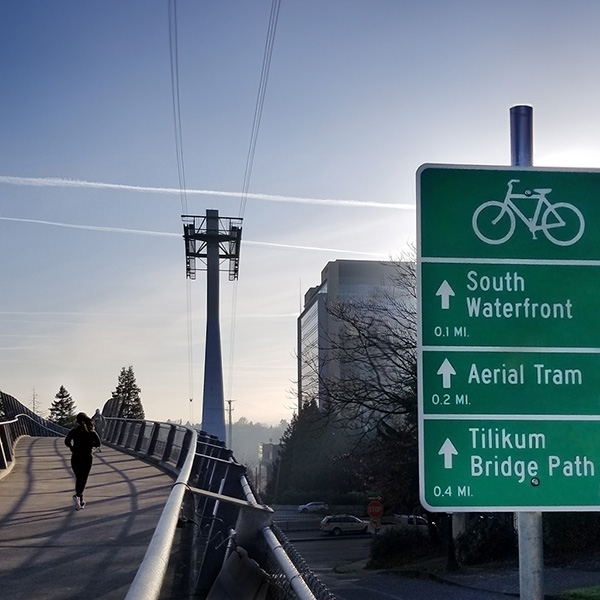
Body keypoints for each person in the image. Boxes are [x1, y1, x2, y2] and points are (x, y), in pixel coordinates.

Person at [64, 412, 101, 510]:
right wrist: (90, 444)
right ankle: (78, 496)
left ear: (77, 421)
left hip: (75, 457)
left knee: (79, 478)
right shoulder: (91, 432)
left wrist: (72, 447)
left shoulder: (74, 431)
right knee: (83, 479)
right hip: (87, 457)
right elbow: (98, 443)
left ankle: (80, 501)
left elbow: (67, 441)